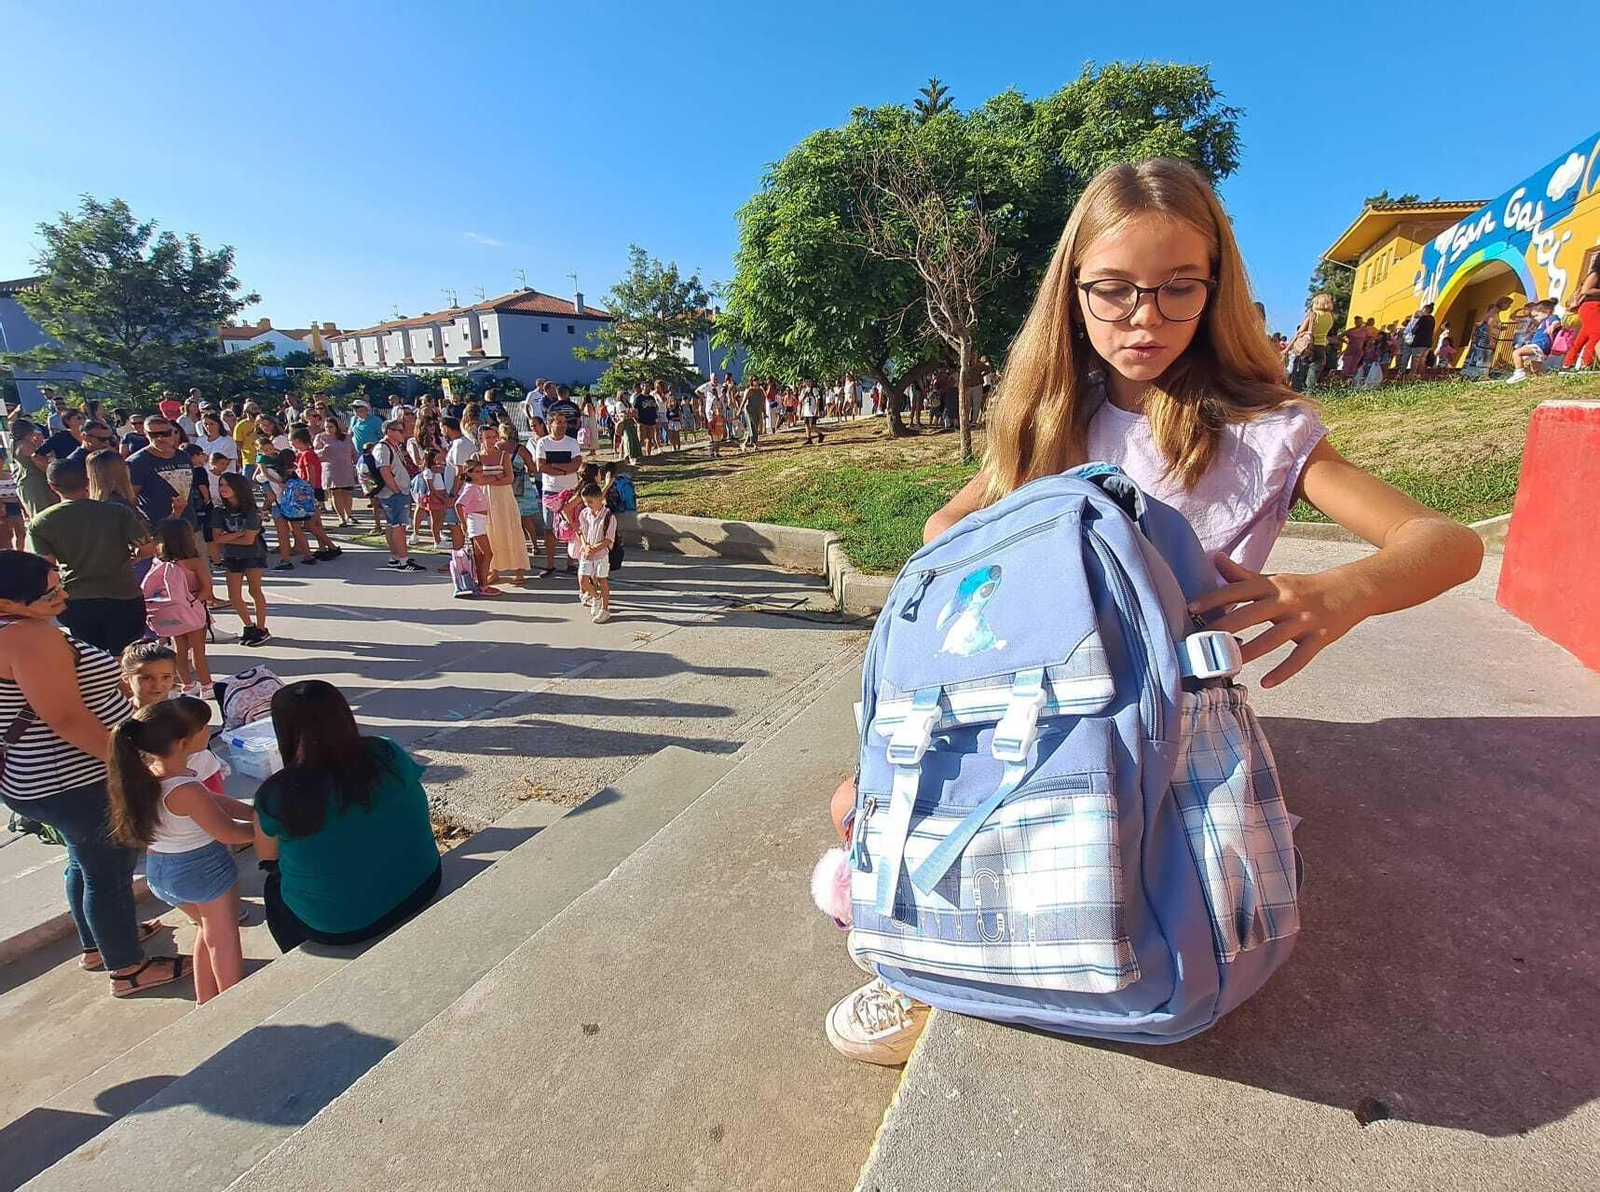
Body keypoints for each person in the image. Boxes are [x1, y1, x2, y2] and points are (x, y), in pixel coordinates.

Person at [829, 156, 1485, 1065]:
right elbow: (950, 527)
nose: (1145, 317)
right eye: (1115, 290)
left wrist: (1343, 591)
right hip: (1033, 712)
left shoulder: (1265, 429)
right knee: (855, 811)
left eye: (1179, 289)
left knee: (1136, 875)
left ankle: (948, 968)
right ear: (1074, 292)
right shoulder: (1053, 415)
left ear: (1217, 290)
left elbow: (1446, 541)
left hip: (1166, 737)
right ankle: (939, 964)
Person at [0, 551, 184, 996]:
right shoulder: (27, 637)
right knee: (109, 866)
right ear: (7, 602)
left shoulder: (22, 627)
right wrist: (129, 761)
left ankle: (99, 942)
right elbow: (65, 717)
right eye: (49, 593)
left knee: (85, 860)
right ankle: (126, 968)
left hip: (45, 776)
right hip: (72, 776)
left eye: (59, 583)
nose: (62, 594)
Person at [253, 680, 441, 951]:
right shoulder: (387, 751)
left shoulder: (275, 795)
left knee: (274, 885)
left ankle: (296, 952)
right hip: (424, 884)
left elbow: (267, 857)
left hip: (343, 927)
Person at [107, 696, 253, 1004]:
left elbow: (216, 802)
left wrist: (254, 812)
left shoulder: (148, 777)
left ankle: (206, 1000)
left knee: (206, 931)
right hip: (202, 871)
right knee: (223, 940)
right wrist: (264, 832)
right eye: (204, 727)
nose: (208, 730)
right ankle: (235, 1006)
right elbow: (225, 830)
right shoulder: (186, 790)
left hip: (162, 872)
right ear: (184, 742)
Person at [25, 458, 150, 654]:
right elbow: (147, 547)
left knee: (93, 659)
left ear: (52, 486)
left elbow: (46, 566)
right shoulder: (116, 511)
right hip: (123, 593)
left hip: (78, 599)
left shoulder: (40, 522)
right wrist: (136, 556)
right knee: (129, 659)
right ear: (87, 481)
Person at [141, 517, 214, 696]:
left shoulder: (159, 563)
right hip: (191, 609)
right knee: (198, 650)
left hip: (170, 610)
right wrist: (194, 603)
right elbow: (207, 589)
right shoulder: (193, 562)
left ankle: (187, 685)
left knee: (180, 649)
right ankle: (207, 685)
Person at [214, 472, 272, 646]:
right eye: (221, 485)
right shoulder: (219, 511)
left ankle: (262, 628)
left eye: (227, 485)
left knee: (254, 591)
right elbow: (216, 538)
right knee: (233, 595)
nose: (223, 489)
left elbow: (249, 540)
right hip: (231, 555)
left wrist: (230, 536)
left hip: (253, 554)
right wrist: (239, 533)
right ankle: (249, 626)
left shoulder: (251, 511)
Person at [474, 422, 530, 585]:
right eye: (487, 438)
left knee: (510, 529)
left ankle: (518, 569)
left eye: (493, 437)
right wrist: (495, 478)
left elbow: (509, 478)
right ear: (480, 439)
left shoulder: (503, 455)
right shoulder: (475, 457)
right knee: (490, 531)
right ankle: (494, 570)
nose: (491, 440)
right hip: (484, 499)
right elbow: (474, 479)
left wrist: (489, 480)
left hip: (504, 498)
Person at [535, 411, 584, 577]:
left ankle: (571, 562)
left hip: (571, 489)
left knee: (572, 524)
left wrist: (558, 469)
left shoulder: (572, 442)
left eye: (564, 422)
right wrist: (565, 468)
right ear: (550, 424)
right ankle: (550, 564)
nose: (563, 425)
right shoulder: (542, 443)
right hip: (551, 491)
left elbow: (577, 464)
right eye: (559, 422)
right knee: (549, 528)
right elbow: (541, 466)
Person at [371, 419, 423, 572]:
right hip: (393, 494)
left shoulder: (393, 447)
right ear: (389, 432)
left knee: (393, 525)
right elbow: (384, 470)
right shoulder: (382, 448)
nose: (404, 433)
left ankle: (395, 556)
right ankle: (403, 561)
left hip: (398, 492)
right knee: (399, 526)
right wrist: (396, 490)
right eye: (400, 430)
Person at [127, 417, 197, 529]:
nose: (160, 438)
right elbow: (129, 499)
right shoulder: (136, 462)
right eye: (153, 434)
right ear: (146, 434)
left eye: (165, 433)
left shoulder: (184, 456)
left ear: (174, 433)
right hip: (159, 529)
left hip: (189, 525)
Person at [574, 481, 615, 624]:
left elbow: (609, 539)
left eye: (590, 502)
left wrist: (594, 549)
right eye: (585, 502)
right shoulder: (584, 514)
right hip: (587, 553)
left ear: (599, 499)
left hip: (601, 554)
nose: (587, 505)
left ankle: (605, 609)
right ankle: (595, 598)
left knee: (602, 580)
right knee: (583, 580)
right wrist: (585, 546)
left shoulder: (609, 516)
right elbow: (581, 532)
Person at [454, 459, 497, 595]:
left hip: (480, 521)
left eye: (482, 471)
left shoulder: (475, 486)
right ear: (469, 473)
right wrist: (463, 523)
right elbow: (459, 505)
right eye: (477, 472)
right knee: (487, 553)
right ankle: (484, 585)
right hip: (476, 522)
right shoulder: (470, 488)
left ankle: (481, 583)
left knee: (480, 555)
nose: (481, 474)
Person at [315, 412, 358, 527]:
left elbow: (354, 452)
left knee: (347, 493)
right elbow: (315, 453)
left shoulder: (346, 437)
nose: (328, 429)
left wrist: (358, 464)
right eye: (326, 427)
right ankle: (341, 517)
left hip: (345, 468)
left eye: (331, 426)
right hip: (330, 468)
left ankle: (349, 514)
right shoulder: (320, 437)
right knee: (335, 492)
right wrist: (322, 451)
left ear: (337, 427)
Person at [1507, 300, 1562, 383]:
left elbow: (1557, 322)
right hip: (1540, 348)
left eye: (1536, 315)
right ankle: (1542, 380)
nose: (1535, 318)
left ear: (1547, 312)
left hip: (1540, 345)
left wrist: (1553, 326)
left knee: (1517, 353)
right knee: (1535, 370)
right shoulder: (1542, 322)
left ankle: (1519, 374)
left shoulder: (1551, 318)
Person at [1563, 258, 1600, 369]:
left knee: (1583, 337)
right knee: (1597, 335)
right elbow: (1585, 290)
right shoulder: (1596, 273)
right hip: (1592, 307)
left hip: (1594, 308)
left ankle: (1567, 363)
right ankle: (1586, 364)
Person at [1402, 303, 1436, 375]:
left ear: (1426, 309)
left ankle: (1412, 375)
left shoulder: (1423, 318)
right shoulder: (1432, 319)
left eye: (1423, 309)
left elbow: (1415, 330)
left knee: (1416, 360)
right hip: (1428, 343)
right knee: (1423, 360)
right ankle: (1420, 375)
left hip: (1419, 342)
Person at [0, 444, 22, 550]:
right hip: (2, 509)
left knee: (21, 534)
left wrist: (23, 508)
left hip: (15, 507)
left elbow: (18, 493)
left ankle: (20, 556)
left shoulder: (10, 475)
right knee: (7, 537)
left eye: (2, 459)